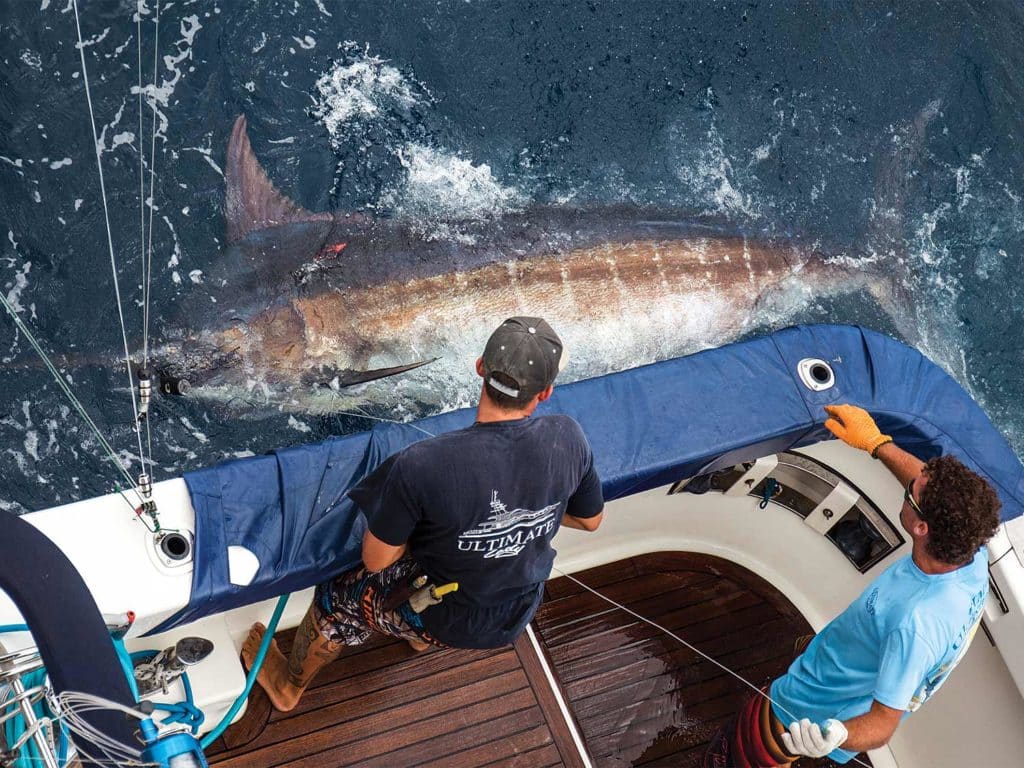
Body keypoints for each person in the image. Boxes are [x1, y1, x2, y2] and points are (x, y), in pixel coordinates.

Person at [242, 316, 605, 711]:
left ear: (480, 367)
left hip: (446, 617)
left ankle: (287, 687)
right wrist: (525, 518)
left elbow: (377, 560)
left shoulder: (422, 463)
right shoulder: (568, 435)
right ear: (547, 392)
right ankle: (415, 636)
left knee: (337, 597)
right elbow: (590, 520)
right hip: (516, 615)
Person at [705, 403, 1001, 767]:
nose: (909, 483)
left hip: (803, 709)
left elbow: (883, 724)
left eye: (911, 493)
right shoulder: (973, 552)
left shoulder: (915, 624)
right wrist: (878, 444)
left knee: (732, 755)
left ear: (922, 528)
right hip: (844, 661)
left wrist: (838, 734)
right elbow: (926, 487)